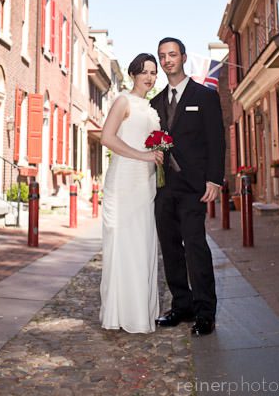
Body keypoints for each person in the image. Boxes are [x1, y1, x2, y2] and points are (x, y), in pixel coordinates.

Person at [150, 37, 224, 337]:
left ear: (183, 57)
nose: (167, 60)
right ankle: (182, 306)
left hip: (194, 187)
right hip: (163, 186)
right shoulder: (155, 103)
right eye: (162, 56)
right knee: (169, 248)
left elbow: (216, 140)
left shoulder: (204, 96)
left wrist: (215, 179)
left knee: (195, 247)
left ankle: (205, 312)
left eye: (172, 54)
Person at [99, 53, 163, 333]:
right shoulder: (123, 101)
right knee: (125, 245)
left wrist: (157, 154)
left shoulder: (149, 107)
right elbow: (107, 137)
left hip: (145, 183)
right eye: (144, 71)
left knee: (143, 245)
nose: (149, 77)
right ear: (133, 74)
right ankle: (122, 314)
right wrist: (143, 155)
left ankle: (141, 313)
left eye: (153, 72)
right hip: (124, 181)